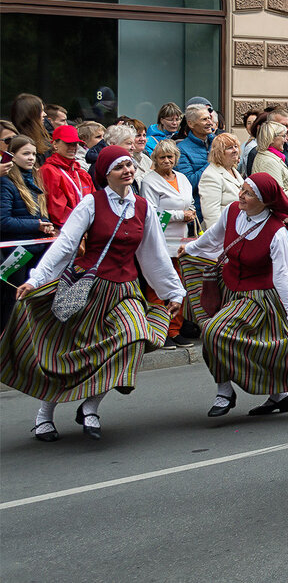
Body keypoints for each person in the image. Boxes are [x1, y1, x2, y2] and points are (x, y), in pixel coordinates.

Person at [2, 146, 184, 441]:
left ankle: (90, 406)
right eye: (119, 166)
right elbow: (65, 245)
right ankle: (44, 417)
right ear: (105, 174)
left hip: (125, 291)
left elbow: (154, 254)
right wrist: (36, 280)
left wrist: (173, 292)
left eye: (129, 164)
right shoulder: (91, 203)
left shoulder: (143, 207)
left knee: (132, 338)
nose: (127, 169)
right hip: (88, 289)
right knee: (70, 354)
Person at [180, 173, 288, 418]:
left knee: (217, 333)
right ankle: (243, 392)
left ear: (264, 201)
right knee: (214, 335)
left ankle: (229, 392)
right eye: (242, 189)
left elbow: (286, 276)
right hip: (228, 288)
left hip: (258, 298)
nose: (241, 195)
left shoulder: (275, 232)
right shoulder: (231, 212)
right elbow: (213, 237)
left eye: (248, 193)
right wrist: (190, 249)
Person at [140, 139, 196, 347]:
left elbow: (189, 201)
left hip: (180, 240)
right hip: (159, 239)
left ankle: (175, 329)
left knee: (178, 286)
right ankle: (158, 331)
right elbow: (151, 213)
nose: (166, 160)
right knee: (157, 285)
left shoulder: (182, 178)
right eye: (162, 157)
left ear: (176, 158)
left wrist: (190, 212)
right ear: (155, 159)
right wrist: (179, 215)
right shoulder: (149, 181)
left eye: (170, 157)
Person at [1, 136, 55, 328]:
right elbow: (4, 222)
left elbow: (38, 215)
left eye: (33, 154)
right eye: (25, 153)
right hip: (14, 253)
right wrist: (37, 225)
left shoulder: (33, 181)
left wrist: (46, 224)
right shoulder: (6, 183)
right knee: (12, 303)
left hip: (34, 249)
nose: (31, 158)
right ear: (12, 156)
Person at [40, 125, 95, 229]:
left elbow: (95, 202)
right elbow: (57, 211)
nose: (73, 147)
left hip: (85, 229)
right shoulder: (49, 171)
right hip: (67, 231)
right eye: (68, 143)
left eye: (75, 144)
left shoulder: (82, 173)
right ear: (55, 144)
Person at [251, 120, 288, 215]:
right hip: (278, 218)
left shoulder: (271, 157)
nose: (286, 140)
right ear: (272, 138)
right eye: (283, 136)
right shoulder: (269, 162)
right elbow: (278, 198)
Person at [198, 132, 244, 225]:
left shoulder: (233, 170)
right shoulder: (210, 176)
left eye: (236, 146)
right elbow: (211, 215)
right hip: (224, 232)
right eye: (229, 148)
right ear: (219, 152)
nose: (235, 150)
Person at [175, 104, 216, 204]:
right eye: (204, 119)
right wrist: (213, 162)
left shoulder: (218, 143)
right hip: (198, 208)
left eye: (210, 118)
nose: (210, 123)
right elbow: (188, 183)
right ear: (191, 124)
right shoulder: (182, 149)